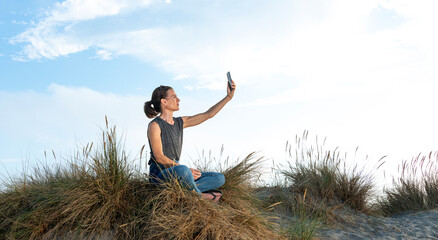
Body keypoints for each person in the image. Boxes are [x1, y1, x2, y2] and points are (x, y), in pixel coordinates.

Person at [144, 78, 236, 200]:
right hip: (160, 174)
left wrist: (228, 97)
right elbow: (159, 157)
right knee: (182, 170)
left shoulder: (180, 122)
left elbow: (208, 114)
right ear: (164, 102)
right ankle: (200, 196)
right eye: (174, 97)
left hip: (179, 173)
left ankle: (184, 190)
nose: (178, 100)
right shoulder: (155, 125)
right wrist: (184, 170)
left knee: (219, 178)